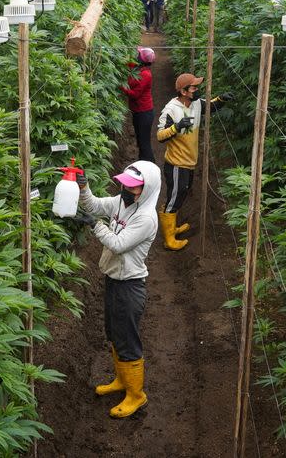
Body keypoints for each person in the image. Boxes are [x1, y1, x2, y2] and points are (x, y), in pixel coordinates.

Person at [73, 161, 161, 418]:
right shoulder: (123, 202)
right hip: (114, 280)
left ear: (147, 190)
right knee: (113, 332)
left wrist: (95, 225)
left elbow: (118, 243)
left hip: (129, 286)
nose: (125, 189)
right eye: (124, 184)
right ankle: (122, 381)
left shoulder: (146, 218)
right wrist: (83, 186)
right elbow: (95, 205)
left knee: (127, 339)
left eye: (132, 187)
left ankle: (136, 395)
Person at [156, 73, 228, 250]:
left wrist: (222, 99)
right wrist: (177, 126)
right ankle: (169, 239)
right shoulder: (171, 110)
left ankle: (172, 227)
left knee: (182, 193)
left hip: (189, 162)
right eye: (193, 87)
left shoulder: (196, 104)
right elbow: (159, 136)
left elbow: (209, 106)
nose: (197, 90)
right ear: (183, 91)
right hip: (176, 164)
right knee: (175, 196)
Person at [121, 47, 156, 162]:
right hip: (138, 111)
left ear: (141, 59)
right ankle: (142, 163)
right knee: (140, 140)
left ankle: (149, 166)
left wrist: (122, 87)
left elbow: (135, 94)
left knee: (144, 142)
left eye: (138, 54)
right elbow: (128, 64)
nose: (136, 55)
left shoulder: (146, 74)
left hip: (144, 113)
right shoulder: (137, 69)